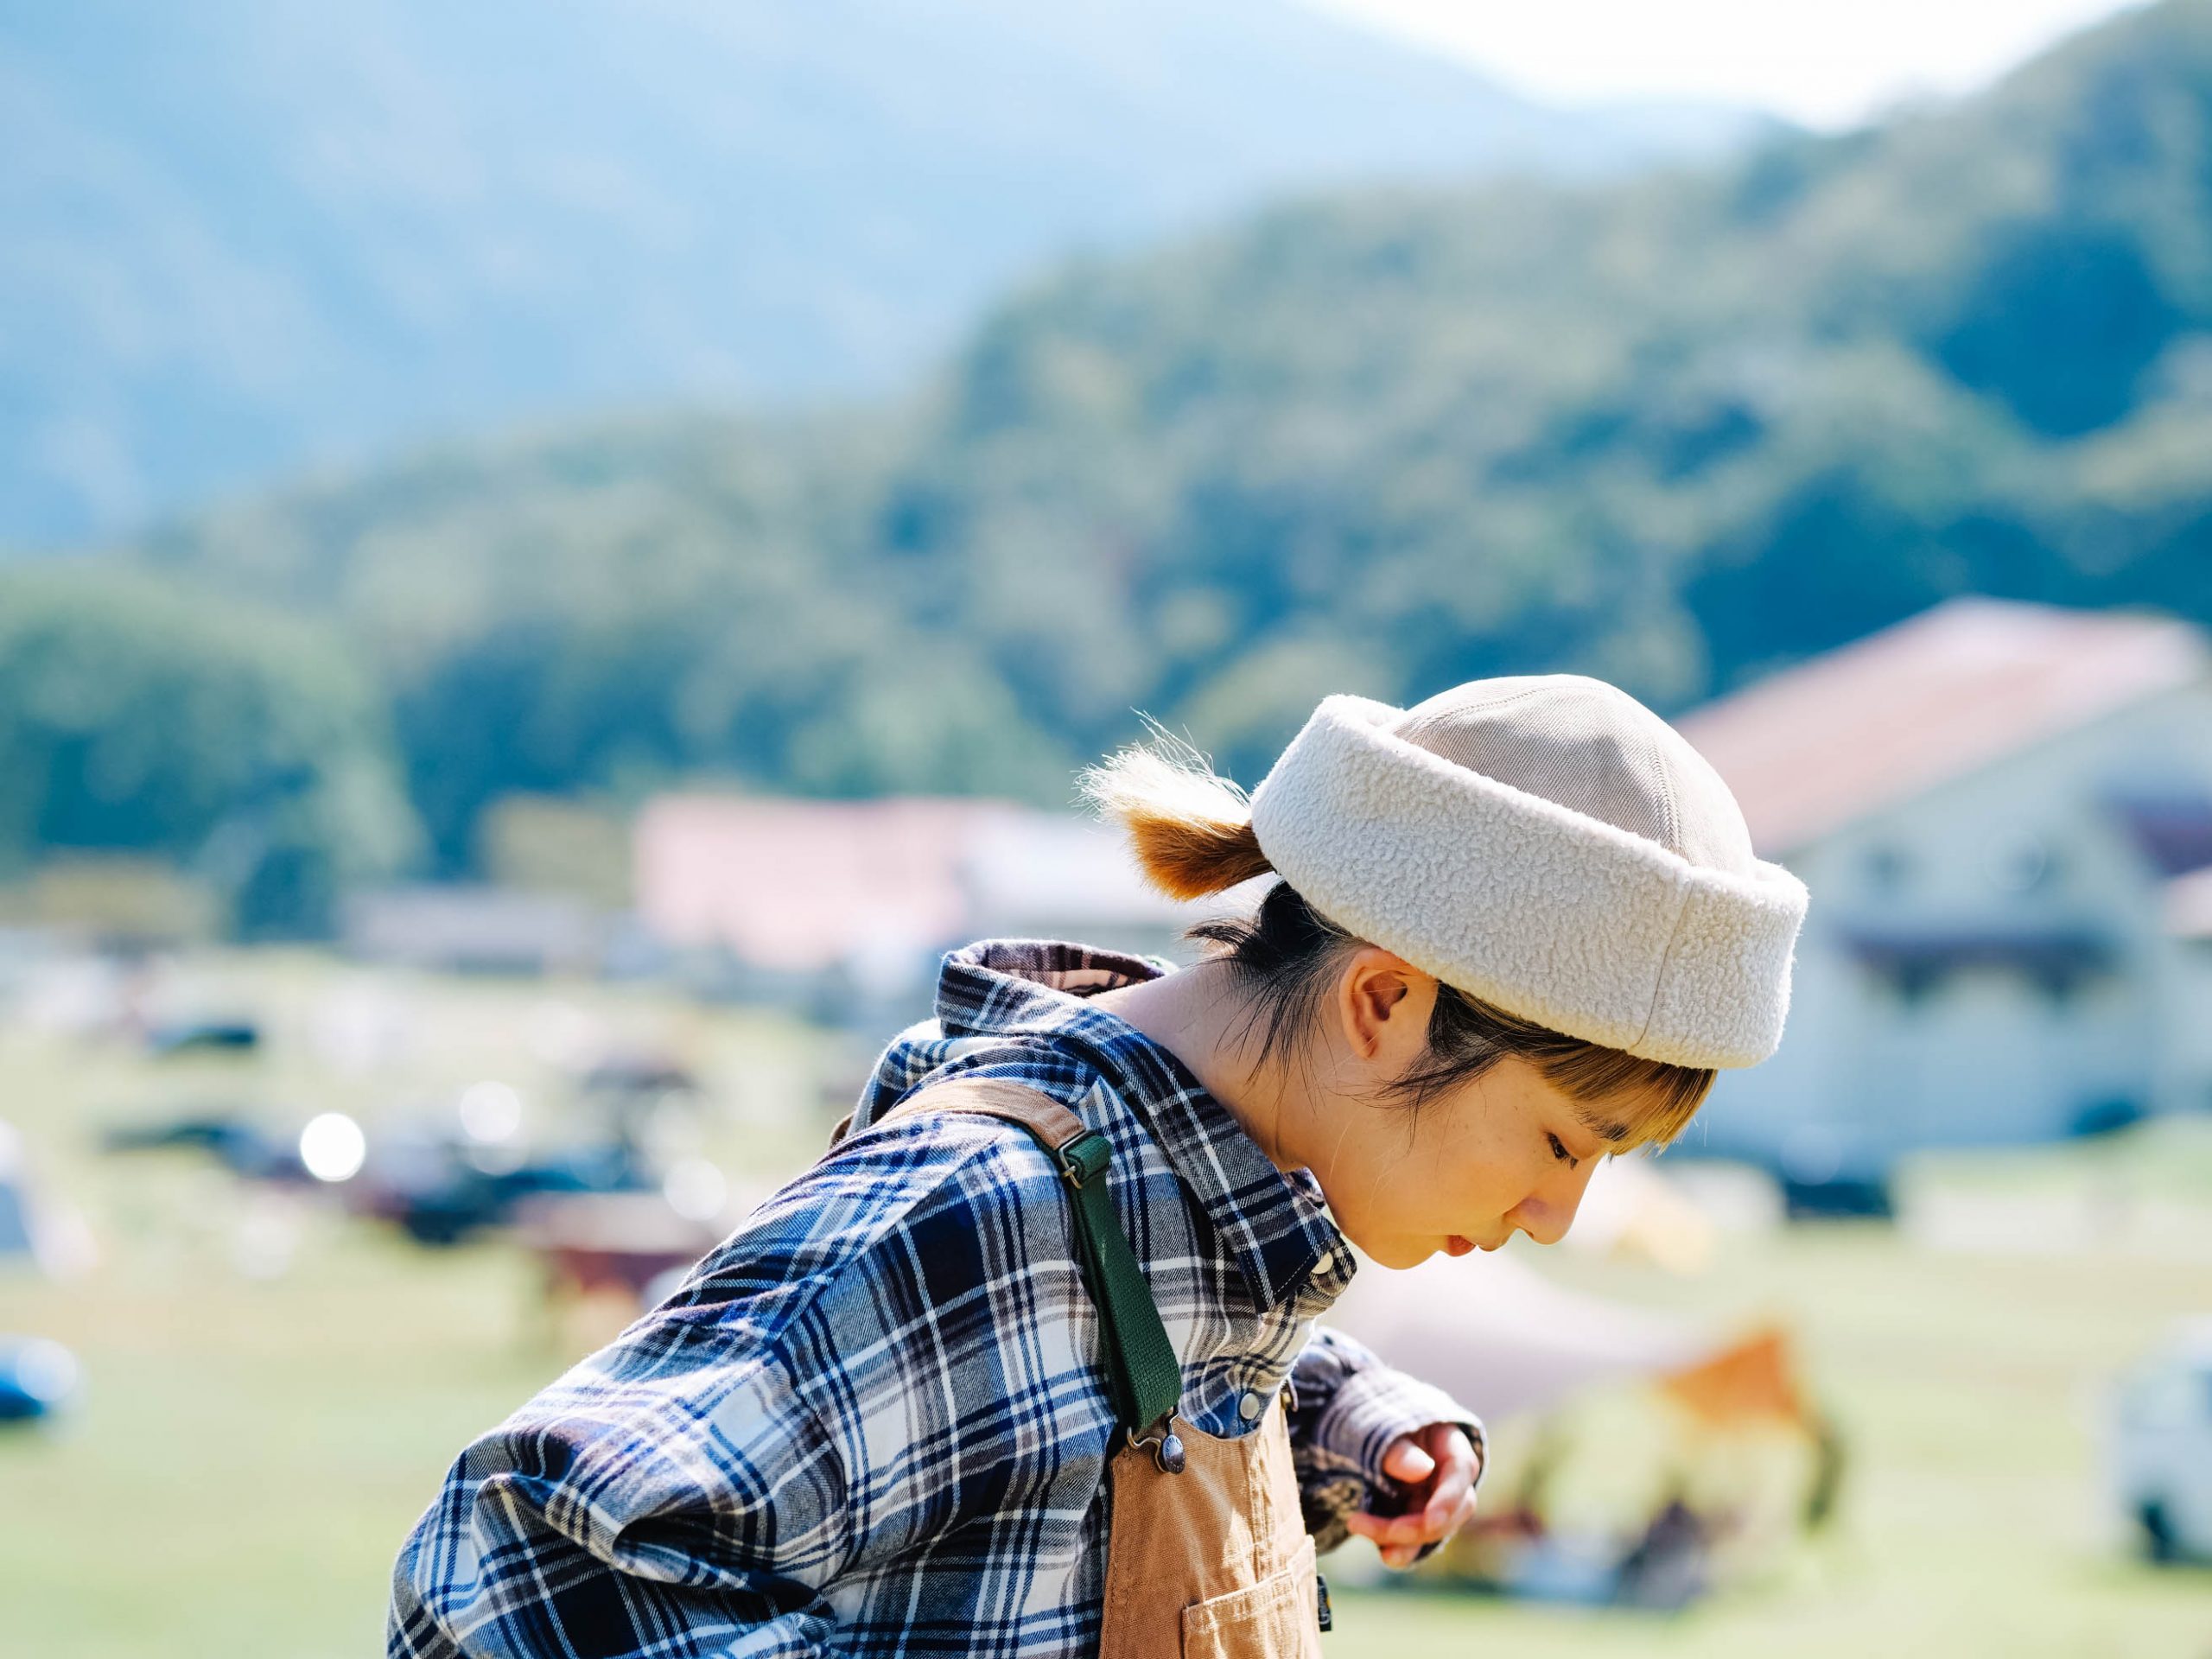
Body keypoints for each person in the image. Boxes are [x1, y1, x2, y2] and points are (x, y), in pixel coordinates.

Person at [389, 675, 1808, 1657]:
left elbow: (1052, 1435)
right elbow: (515, 1577)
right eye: (1566, 1142)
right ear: (1385, 1003)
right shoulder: (982, 1212)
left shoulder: (1180, 1212)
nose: (1558, 1220)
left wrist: (1330, 1422)